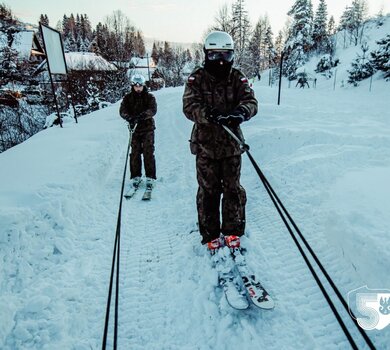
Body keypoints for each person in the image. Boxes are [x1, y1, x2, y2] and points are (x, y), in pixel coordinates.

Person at [182, 31, 258, 253]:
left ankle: (233, 230)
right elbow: (189, 106)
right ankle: (211, 233)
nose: (221, 60)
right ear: (207, 55)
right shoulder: (197, 78)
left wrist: (240, 113)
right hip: (205, 145)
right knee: (208, 190)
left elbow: (250, 101)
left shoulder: (237, 77)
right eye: (215, 56)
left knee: (232, 189)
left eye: (226, 55)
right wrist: (209, 114)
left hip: (232, 144)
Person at [120, 74, 157, 190]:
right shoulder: (128, 98)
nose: (138, 87)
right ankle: (136, 176)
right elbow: (122, 110)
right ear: (132, 85)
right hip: (134, 129)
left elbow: (153, 110)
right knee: (135, 153)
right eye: (136, 85)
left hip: (147, 129)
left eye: (140, 85)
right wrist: (129, 118)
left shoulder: (149, 97)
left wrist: (141, 116)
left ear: (143, 85)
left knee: (148, 152)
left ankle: (150, 177)